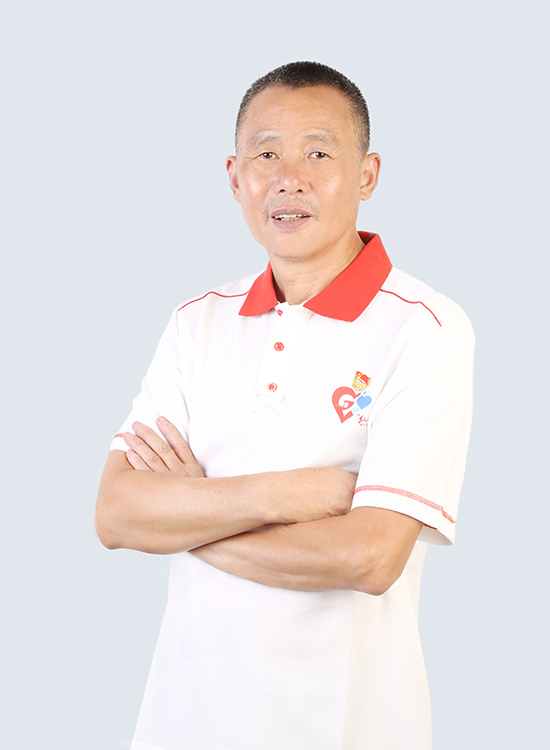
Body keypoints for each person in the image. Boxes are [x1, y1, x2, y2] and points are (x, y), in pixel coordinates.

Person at [96, 61, 474, 750]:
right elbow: (117, 514)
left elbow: (369, 557)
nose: (288, 178)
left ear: (367, 175)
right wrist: (287, 494)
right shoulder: (196, 322)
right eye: (265, 153)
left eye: (318, 154)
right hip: (184, 726)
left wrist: (188, 514)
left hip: (348, 729)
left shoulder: (425, 328)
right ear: (234, 176)